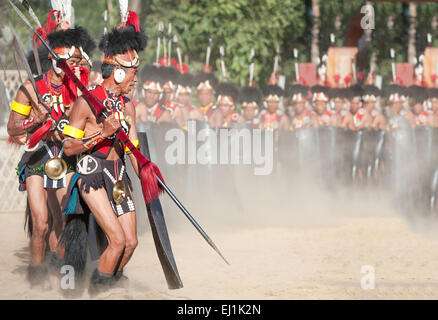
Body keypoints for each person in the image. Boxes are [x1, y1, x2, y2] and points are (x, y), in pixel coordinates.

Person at [62, 11, 147, 294]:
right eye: (134, 73)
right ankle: (100, 292)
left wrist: (146, 172)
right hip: (91, 173)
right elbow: (69, 146)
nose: (136, 80)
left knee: (131, 242)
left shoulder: (128, 106)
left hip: (118, 173)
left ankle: (109, 282)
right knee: (117, 241)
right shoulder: (85, 103)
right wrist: (102, 134)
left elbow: (133, 149)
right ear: (119, 71)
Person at [8, 9, 94, 287]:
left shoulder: (78, 91)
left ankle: (61, 276)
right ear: (53, 60)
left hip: (64, 158)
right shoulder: (30, 88)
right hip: (37, 157)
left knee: (63, 222)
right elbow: (13, 128)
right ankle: (35, 280)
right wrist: (37, 120)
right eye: (67, 61)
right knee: (41, 225)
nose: (71, 66)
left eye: (74, 61)